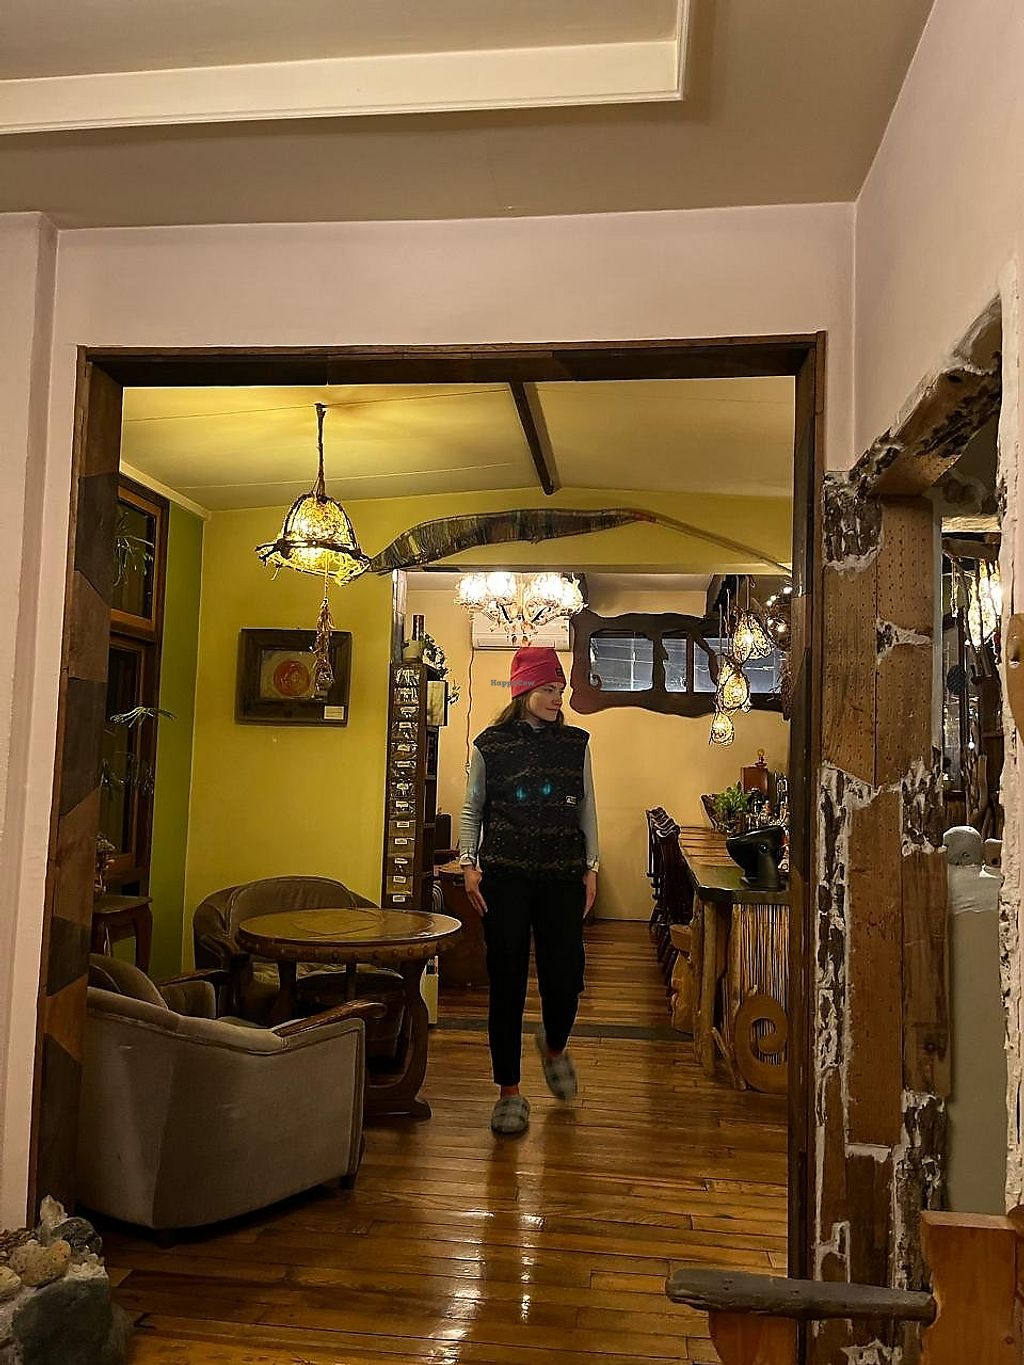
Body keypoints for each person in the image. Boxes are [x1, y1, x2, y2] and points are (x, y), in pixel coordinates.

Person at [459, 645, 599, 1136]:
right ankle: (509, 1091)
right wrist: (468, 864)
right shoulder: (490, 745)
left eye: (560, 689)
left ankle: (554, 1046)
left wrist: (592, 867)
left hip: (562, 875)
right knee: (507, 983)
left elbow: (587, 808)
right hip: (505, 879)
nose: (558, 698)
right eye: (548, 689)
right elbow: (473, 807)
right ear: (523, 691)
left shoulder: (576, 743)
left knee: (565, 978)